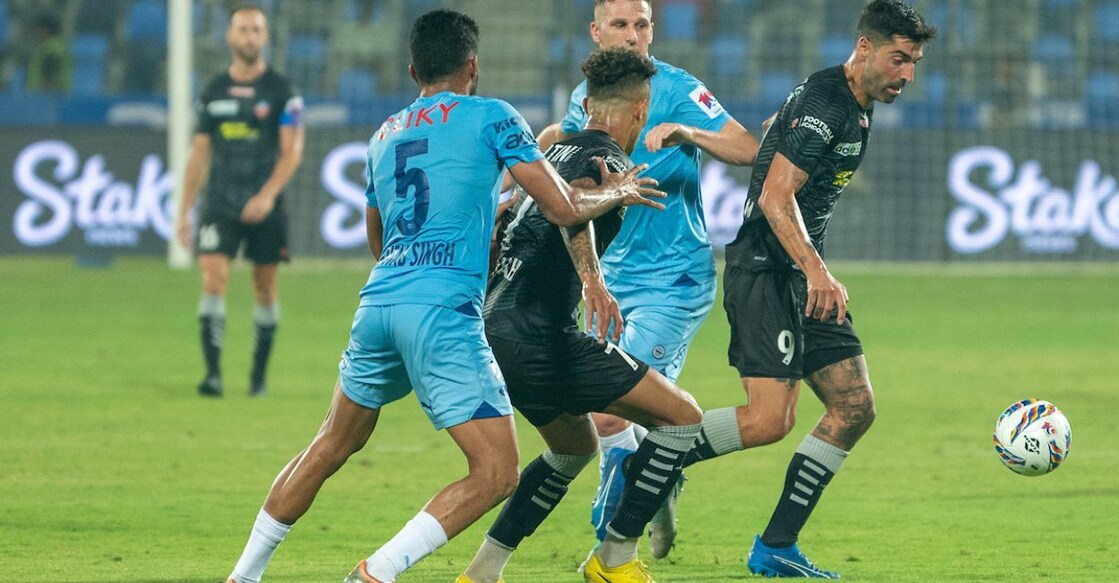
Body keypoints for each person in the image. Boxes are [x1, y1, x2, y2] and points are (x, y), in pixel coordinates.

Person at [222, 9, 665, 583]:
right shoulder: (493, 117)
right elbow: (561, 207)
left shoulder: (382, 136)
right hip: (443, 312)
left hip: (378, 304)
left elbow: (377, 240)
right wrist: (618, 192)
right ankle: (378, 572)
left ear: (413, 70)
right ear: (473, 65)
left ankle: (244, 574)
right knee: (496, 471)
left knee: (330, 444)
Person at [679, 1, 937, 578]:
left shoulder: (848, 103)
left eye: (915, 63)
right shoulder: (828, 102)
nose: (907, 75)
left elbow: (770, 139)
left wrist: (694, 134)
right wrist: (818, 270)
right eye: (899, 59)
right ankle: (661, 454)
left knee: (854, 407)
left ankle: (775, 546)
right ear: (865, 48)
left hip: (801, 272)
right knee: (770, 420)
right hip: (769, 270)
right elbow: (774, 195)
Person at [460, 47, 699, 583]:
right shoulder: (609, 161)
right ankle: (614, 559)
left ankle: (483, 570)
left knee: (573, 447)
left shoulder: (549, 152)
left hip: (496, 327)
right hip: (537, 333)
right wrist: (595, 272)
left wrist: (588, 275)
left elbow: (551, 212)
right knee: (682, 419)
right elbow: (579, 204)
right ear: (641, 112)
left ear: (587, 103)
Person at [535, 0, 759, 561]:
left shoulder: (679, 88)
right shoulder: (584, 96)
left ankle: (615, 527)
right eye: (620, 25)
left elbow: (749, 148)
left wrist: (688, 131)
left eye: (642, 25)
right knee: (642, 413)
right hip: (609, 279)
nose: (633, 36)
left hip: (673, 280)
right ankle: (661, 484)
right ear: (596, 31)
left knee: (611, 405)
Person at [176, 5, 305, 398]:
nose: (249, 36)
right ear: (230, 37)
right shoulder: (212, 90)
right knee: (213, 279)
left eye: (256, 30)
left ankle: (257, 380)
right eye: (242, 29)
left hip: (265, 205)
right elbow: (199, 153)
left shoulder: (283, 92)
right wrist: (183, 209)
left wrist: (266, 197)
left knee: (264, 286)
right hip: (220, 201)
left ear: (265, 38)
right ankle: (213, 376)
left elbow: (292, 152)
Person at [27, 12, 72, 92]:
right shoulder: (56, 46)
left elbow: (50, 78)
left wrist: (43, 100)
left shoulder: (51, 49)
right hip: (56, 99)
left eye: (37, 29)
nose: (35, 33)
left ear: (44, 29)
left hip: (49, 99)